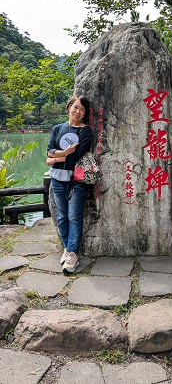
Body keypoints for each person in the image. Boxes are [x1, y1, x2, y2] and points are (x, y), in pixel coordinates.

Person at [46, 95, 92, 274]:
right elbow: (49, 148)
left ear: (85, 113)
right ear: (69, 108)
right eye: (75, 107)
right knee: (62, 217)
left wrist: (53, 159)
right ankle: (67, 249)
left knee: (74, 217)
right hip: (57, 179)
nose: (78, 111)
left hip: (76, 181)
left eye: (82, 109)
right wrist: (62, 152)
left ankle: (72, 254)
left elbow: (74, 157)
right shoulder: (58, 128)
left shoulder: (85, 131)